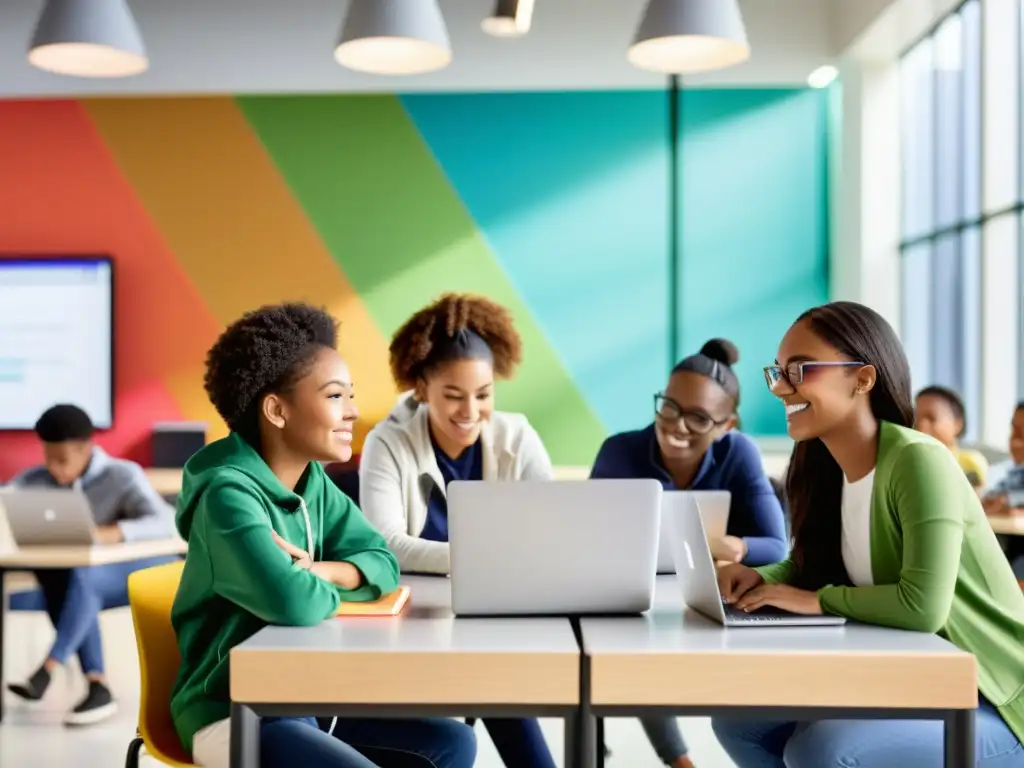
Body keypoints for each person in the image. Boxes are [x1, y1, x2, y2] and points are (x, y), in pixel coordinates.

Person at [710, 301, 1024, 767]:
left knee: (822, 750)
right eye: (777, 372)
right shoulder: (825, 468)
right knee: (738, 723)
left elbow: (922, 606)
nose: (782, 388)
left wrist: (818, 600)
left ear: (863, 378)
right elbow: (810, 566)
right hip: (912, 674)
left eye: (800, 370)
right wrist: (760, 577)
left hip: (993, 697)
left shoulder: (920, 461)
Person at [169, 303, 476, 768]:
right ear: (277, 409)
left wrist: (316, 570)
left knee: (454, 743)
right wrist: (312, 583)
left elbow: (382, 561)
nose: (353, 412)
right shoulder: (226, 497)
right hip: (233, 710)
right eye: (335, 396)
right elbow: (293, 603)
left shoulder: (313, 482)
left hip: (305, 696)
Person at [360, 293, 557, 768]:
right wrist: (484, 560)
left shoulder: (518, 436)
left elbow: (554, 527)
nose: (470, 410)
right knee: (493, 677)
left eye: (484, 394)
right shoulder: (386, 443)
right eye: (453, 395)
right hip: (406, 627)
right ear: (421, 388)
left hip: (487, 618)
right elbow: (384, 543)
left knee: (495, 673)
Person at [590, 339, 789, 768]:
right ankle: (679, 759)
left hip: (706, 601)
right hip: (631, 598)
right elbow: (591, 544)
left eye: (699, 418)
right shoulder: (619, 451)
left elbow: (777, 544)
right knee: (626, 646)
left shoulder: (740, 454)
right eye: (669, 407)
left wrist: (737, 547)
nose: (677, 425)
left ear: (726, 425)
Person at [6, 403, 177, 726]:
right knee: (66, 579)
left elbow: (166, 521)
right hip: (82, 582)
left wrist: (109, 533)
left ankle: (49, 667)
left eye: (62, 460)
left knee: (82, 579)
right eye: (48, 458)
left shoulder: (122, 474)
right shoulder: (34, 481)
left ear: (85, 448)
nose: (54, 469)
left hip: (141, 570)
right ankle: (97, 685)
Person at [914, 385, 988, 489]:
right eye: (914, 418)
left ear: (957, 424)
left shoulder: (969, 463)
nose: (920, 425)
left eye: (931, 418)